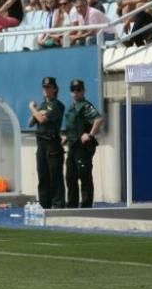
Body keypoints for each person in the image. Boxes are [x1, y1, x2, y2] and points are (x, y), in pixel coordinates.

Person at [62, 79, 104, 208]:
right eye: (73, 90)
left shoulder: (85, 106)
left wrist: (90, 134)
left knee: (84, 176)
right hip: (73, 146)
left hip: (83, 147)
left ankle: (86, 205)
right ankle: (72, 204)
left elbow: (98, 119)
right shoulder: (71, 108)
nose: (76, 93)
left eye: (78, 90)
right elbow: (70, 127)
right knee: (70, 176)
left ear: (83, 91)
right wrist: (65, 138)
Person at [29, 77, 65, 209]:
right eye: (44, 87)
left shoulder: (57, 105)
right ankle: (44, 203)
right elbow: (31, 122)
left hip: (52, 143)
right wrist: (36, 111)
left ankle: (58, 203)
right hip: (41, 144)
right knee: (42, 174)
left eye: (49, 87)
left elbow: (42, 120)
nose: (46, 90)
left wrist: (32, 108)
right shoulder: (43, 105)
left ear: (54, 89)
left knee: (54, 174)